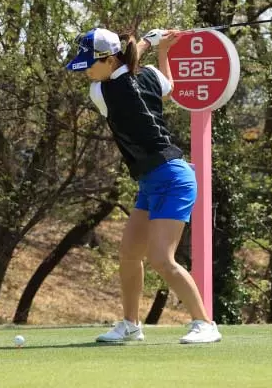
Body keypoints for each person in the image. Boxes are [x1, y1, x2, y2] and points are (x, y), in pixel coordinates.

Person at [65, 26, 222, 344]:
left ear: (109, 60)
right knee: (128, 254)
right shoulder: (147, 74)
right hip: (153, 180)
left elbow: (137, 67)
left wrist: (151, 41)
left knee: (162, 259)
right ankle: (131, 325)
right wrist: (163, 49)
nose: (86, 73)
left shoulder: (102, 92)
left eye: (89, 65)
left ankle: (205, 323)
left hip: (173, 179)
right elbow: (168, 88)